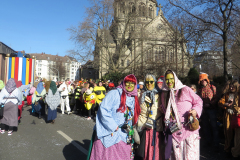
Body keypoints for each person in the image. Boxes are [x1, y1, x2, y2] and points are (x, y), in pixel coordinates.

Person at [88, 74, 141, 160]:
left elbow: (132, 117)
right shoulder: (114, 93)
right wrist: (114, 126)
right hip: (110, 135)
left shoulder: (133, 98)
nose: (130, 85)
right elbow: (103, 110)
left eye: (132, 83)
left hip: (125, 137)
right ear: (124, 83)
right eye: (127, 82)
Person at [159, 70, 203, 160]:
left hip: (188, 131)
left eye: (171, 79)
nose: (169, 81)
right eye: (167, 80)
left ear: (175, 78)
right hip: (174, 133)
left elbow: (198, 101)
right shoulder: (164, 94)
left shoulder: (185, 89)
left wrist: (195, 111)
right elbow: (165, 110)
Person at [135, 74, 164, 160]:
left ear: (154, 82)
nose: (149, 84)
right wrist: (140, 123)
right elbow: (138, 111)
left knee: (157, 153)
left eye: (151, 82)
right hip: (145, 128)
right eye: (147, 82)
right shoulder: (141, 95)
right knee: (145, 153)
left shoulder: (160, 95)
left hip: (157, 129)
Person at [218, 80, 239, 157]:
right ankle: (227, 150)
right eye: (230, 86)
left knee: (237, 136)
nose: (231, 87)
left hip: (236, 116)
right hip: (228, 115)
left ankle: (236, 151)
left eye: (233, 86)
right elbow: (220, 102)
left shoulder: (238, 95)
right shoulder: (227, 94)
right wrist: (225, 104)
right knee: (228, 133)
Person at [198, 73, 219, 149]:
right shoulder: (199, 90)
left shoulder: (212, 87)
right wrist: (202, 107)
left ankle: (216, 144)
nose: (203, 81)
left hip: (212, 110)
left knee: (214, 127)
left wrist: (210, 104)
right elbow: (198, 100)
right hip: (204, 111)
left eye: (204, 80)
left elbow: (216, 98)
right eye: (201, 80)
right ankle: (208, 142)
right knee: (205, 127)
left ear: (207, 80)